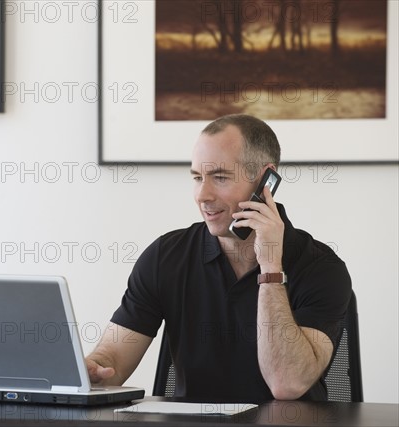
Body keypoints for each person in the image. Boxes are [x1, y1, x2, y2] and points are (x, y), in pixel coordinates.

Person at [85, 114, 352, 402]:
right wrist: (92, 370)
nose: (202, 194)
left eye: (220, 177)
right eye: (197, 177)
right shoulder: (166, 257)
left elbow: (287, 384)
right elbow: (113, 359)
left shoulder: (321, 267)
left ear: (265, 182)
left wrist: (271, 267)